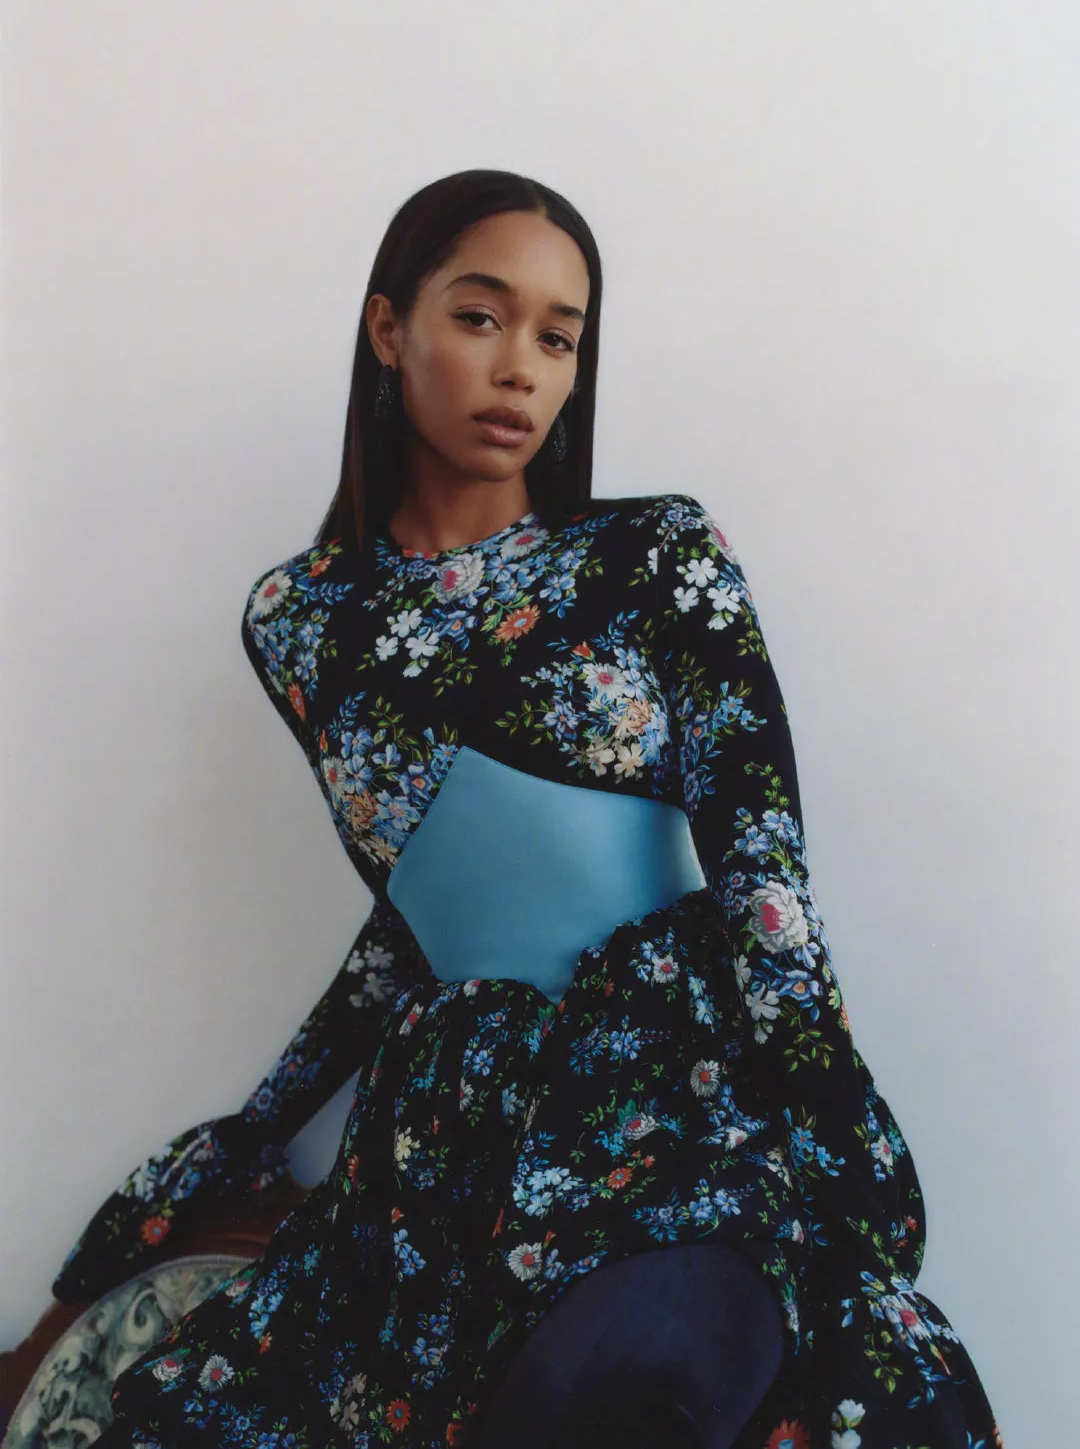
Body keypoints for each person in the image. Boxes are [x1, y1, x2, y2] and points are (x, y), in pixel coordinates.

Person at [57, 170, 1001, 1448]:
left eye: (559, 338)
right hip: (454, 1125)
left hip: (673, 1084)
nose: (521, 368)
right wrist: (254, 1126)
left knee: (649, 1386)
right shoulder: (296, 620)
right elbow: (421, 914)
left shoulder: (655, 554)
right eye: (480, 317)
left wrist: (833, 1107)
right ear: (388, 328)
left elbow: (763, 867)